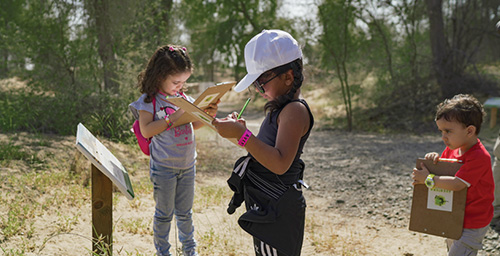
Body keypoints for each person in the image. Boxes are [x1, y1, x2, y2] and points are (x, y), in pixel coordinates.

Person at [212, 29, 314, 256]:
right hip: (270, 204)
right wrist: (241, 135)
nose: (259, 90)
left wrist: (243, 136)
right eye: (256, 84)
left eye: (262, 82)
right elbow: (266, 152)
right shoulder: (283, 109)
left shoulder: (295, 111)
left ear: (288, 76)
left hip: (278, 209)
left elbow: (279, 164)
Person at [129, 45, 218, 256]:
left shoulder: (183, 99)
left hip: (188, 166)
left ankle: (190, 251)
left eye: (184, 83)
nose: (180, 87)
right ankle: (163, 252)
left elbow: (192, 125)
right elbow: (146, 129)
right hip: (164, 168)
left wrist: (206, 115)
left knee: (185, 214)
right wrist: (173, 118)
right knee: (164, 214)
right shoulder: (148, 102)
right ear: (159, 76)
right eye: (176, 82)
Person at [411, 94, 494, 256]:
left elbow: (456, 184)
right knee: (453, 248)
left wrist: (428, 179)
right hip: (454, 215)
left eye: (448, 131)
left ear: (470, 131)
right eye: (441, 131)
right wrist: (435, 159)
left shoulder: (479, 157)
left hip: (472, 222)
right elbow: (445, 170)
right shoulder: (453, 149)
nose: (443, 136)